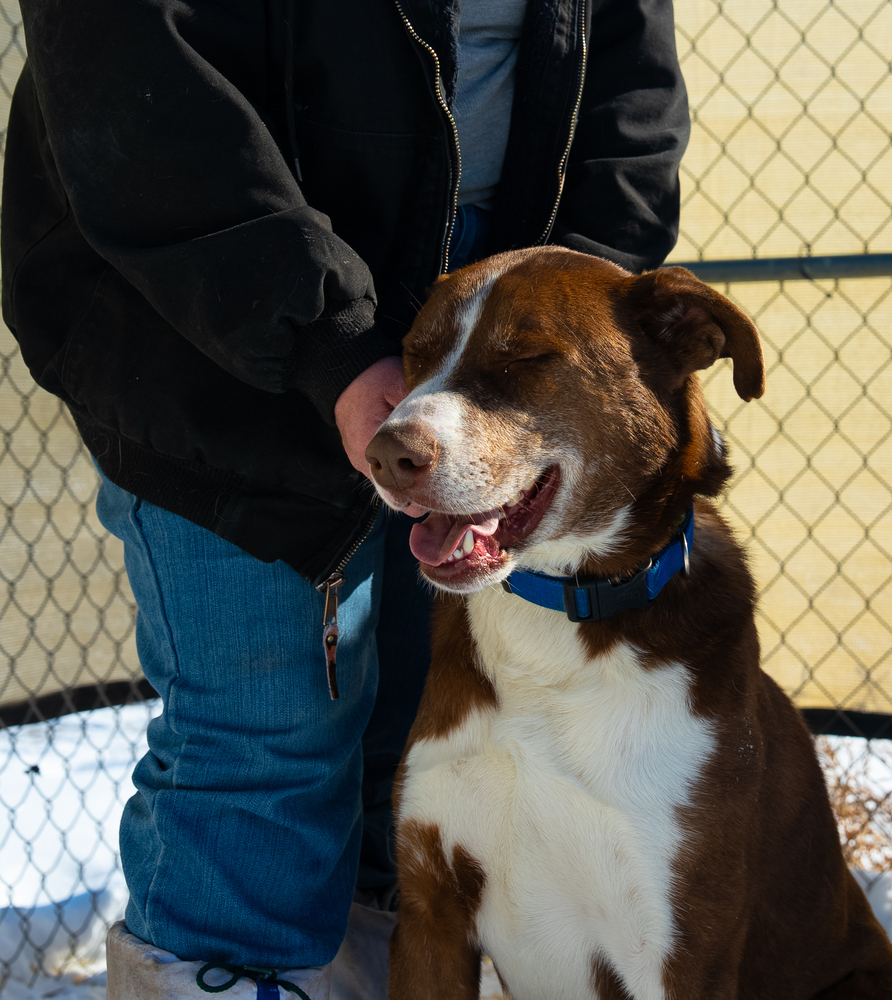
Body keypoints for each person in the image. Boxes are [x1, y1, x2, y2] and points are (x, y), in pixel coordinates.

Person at [1, 0, 690, 996]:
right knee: (267, 737)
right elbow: (136, 93)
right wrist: (330, 340)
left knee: (414, 743)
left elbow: (628, 87)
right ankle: (228, 967)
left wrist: (568, 316)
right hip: (209, 312)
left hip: (482, 319)